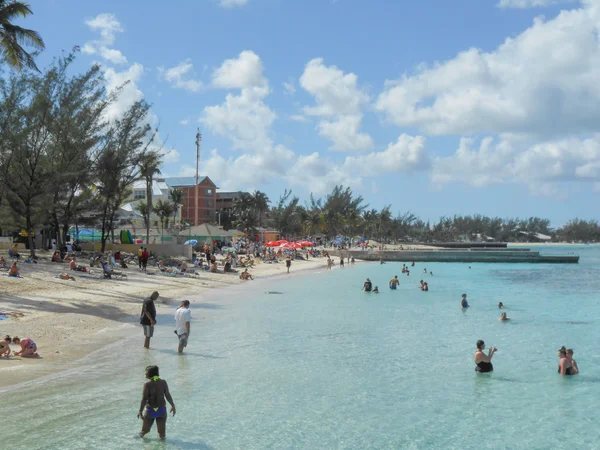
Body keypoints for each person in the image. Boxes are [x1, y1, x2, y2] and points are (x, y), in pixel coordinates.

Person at [138, 365, 176, 440]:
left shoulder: (147, 385)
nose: (145, 374)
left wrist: (140, 411)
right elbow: (167, 395)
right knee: (162, 435)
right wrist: (173, 405)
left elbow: (144, 399)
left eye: (146, 372)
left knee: (144, 431)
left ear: (151, 374)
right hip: (161, 410)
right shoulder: (163, 382)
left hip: (150, 411)